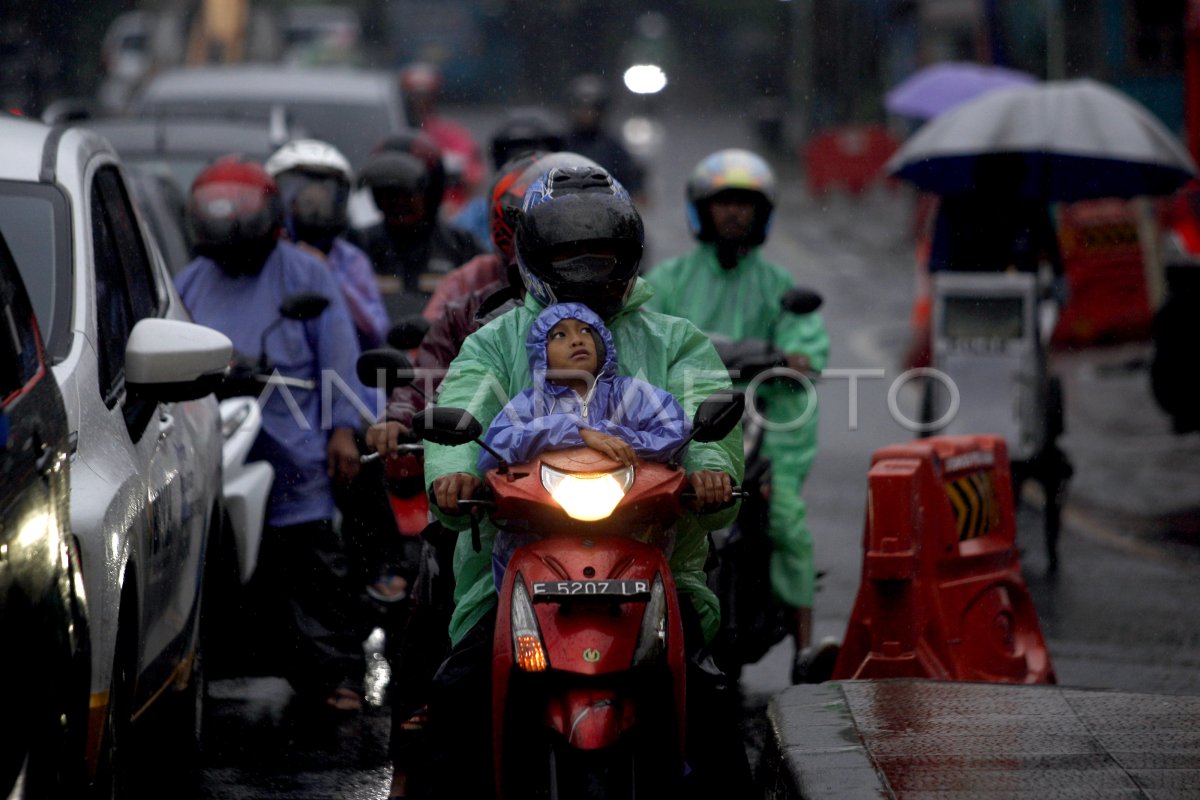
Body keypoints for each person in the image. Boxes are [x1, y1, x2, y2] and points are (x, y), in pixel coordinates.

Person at [408, 164, 749, 797]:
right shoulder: (495, 341)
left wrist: (709, 474)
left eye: (602, 249)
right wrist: (454, 478)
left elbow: (710, 421)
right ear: (535, 255)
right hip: (506, 569)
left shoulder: (675, 340)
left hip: (659, 560)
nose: (587, 263)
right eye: (569, 250)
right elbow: (463, 407)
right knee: (455, 707)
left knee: (715, 723)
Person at [175, 158, 369, 712]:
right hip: (216, 442)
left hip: (295, 449)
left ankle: (338, 676)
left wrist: (343, 432)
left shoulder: (305, 274)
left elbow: (338, 356)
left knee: (315, 570)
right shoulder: (192, 279)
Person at [645, 148, 835, 684]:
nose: (733, 214)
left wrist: (794, 357)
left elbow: (806, 341)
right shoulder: (670, 277)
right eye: (722, 202)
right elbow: (642, 330)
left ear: (762, 213)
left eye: (744, 204)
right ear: (701, 211)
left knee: (787, 522)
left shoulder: (778, 284)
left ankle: (804, 648)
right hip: (682, 421)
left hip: (762, 420)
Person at [479, 301, 692, 588]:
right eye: (559, 335)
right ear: (540, 353)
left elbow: (674, 431)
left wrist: (613, 437)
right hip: (543, 531)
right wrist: (577, 432)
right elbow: (497, 446)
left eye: (585, 331)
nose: (577, 339)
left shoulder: (632, 394)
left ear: (602, 342)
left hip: (631, 527)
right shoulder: (529, 404)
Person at [265, 138, 390, 351]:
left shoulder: (350, 259)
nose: (313, 214)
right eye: (305, 203)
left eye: (322, 204)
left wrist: (327, 274)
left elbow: (376, 330)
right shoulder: (262, 256)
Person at [349, 149, 482, 320]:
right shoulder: (358, 245)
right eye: (389, 194)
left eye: (407, 194)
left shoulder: (461, 246)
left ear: (430, 194)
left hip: (443, 345)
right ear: (376, 197)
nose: (398, 203)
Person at [450, 107, 568, 251]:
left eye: (534, 161)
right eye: (516, 159)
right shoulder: (478, 214)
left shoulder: (566, 209)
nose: (525, 170)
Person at [398, 61, 484, 215]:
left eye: (425, 97)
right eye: (413, 98)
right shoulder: (395, 135)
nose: (419, 104)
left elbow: (474, 177)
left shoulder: (453, 135)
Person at [562, 73, 645, 200]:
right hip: (563, 211)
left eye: (592, 109)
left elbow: (631, 176)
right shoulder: (560, 145)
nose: (587, 114)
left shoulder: (613, 148)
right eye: (582, 108)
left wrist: (637, 188)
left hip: (606, 213)